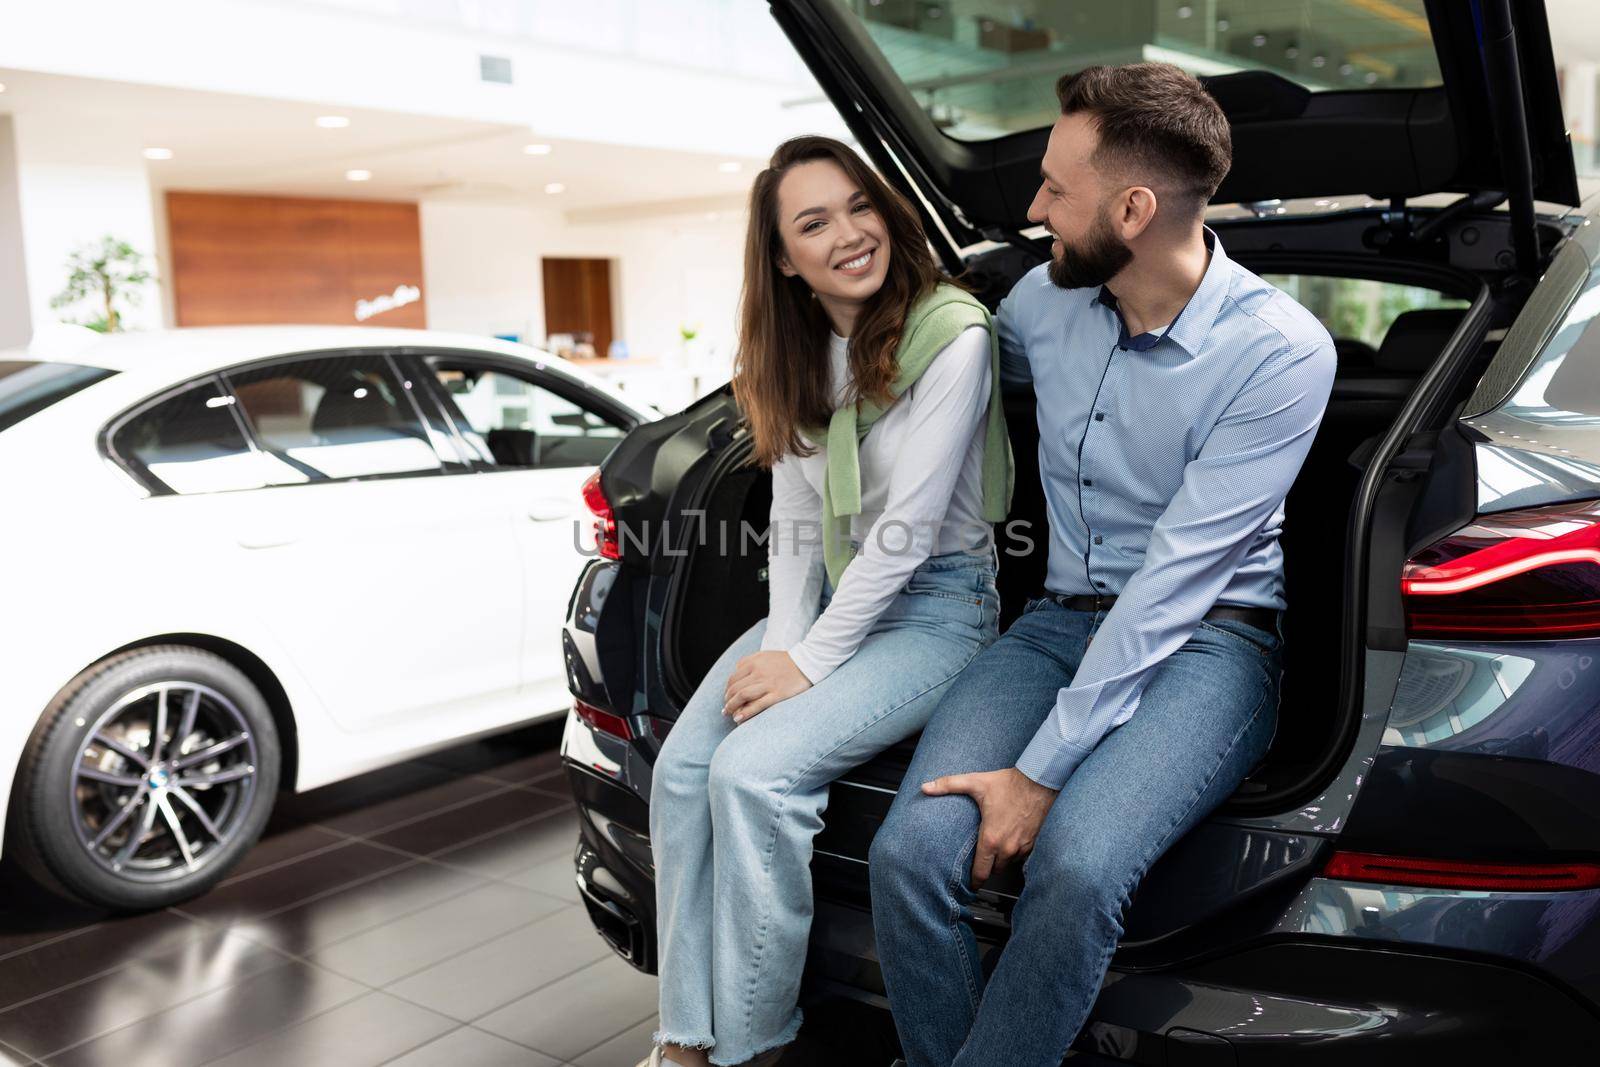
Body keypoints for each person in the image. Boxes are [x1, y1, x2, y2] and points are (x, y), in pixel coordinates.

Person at [868, 63, 1337, 1066]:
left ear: (1132, 208)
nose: (1034, 211)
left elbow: (1176, 581)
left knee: (1077, 866)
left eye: (1053, 190)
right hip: (1053, 622)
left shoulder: (1279, 351)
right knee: (908, 851)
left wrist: (1039, 774)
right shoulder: (1043, 300)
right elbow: (959, 365)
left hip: (1211, 642)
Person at [643, 134, 1015, 1067]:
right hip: (844, 600)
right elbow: (799, 520)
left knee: (752, 773)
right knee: (684, 771)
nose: (850, 233)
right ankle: (685, 1038)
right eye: (815, 222)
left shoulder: (951, 332)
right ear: (782, 258)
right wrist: (784, 641)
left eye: (860, 205)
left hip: (937, 609)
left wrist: (806, 663)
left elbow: (909, 532)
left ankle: (754, 1045)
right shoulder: (802, 349)